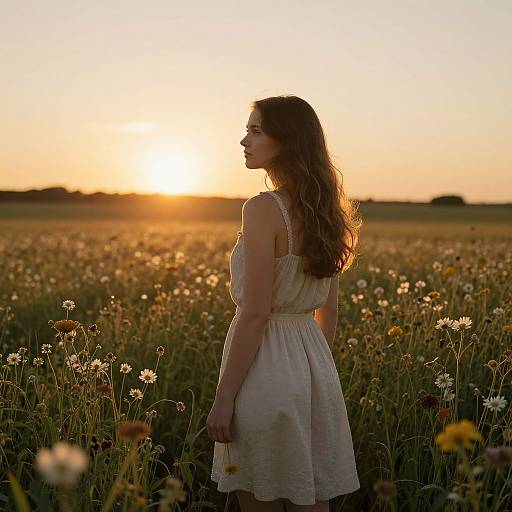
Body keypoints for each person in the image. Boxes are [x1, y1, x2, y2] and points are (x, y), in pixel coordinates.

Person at [207, 95, 362, 512]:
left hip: (264, 372)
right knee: (310, 498)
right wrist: (309, 369)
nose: (244, 140)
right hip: (314, 371)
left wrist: (224, 398)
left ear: (286, 140)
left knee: (259, 494)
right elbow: (328, 311)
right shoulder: (327, 212)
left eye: (255, 131)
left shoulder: (261, 209)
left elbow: (255, 313)